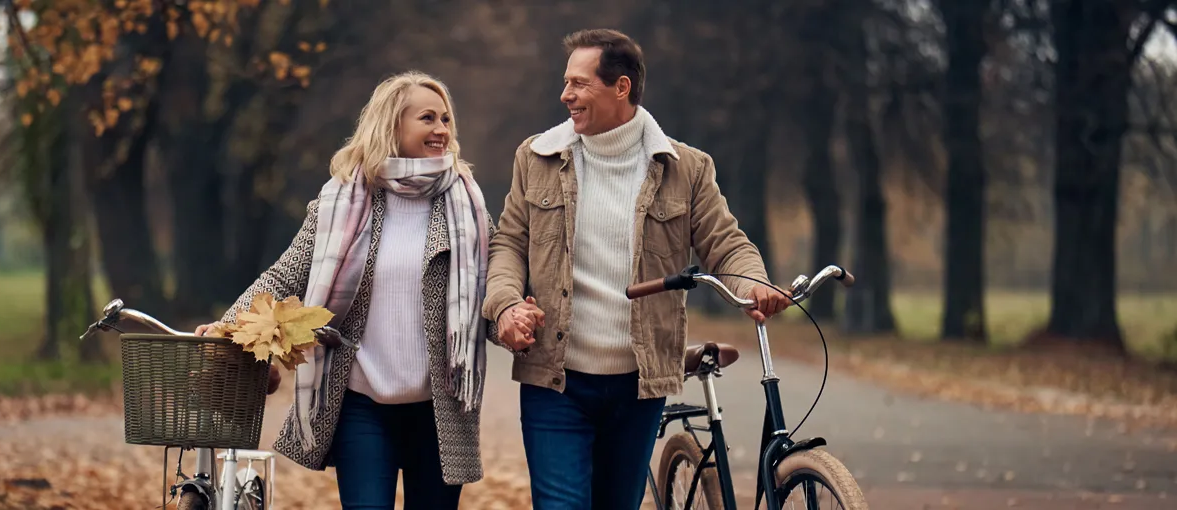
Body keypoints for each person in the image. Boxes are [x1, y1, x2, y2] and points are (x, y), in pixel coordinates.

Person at [482, 29, 793, 509]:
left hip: (638, 384)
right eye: (566, 82)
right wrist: (503, 305)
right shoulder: (537, 157)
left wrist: (751, 281)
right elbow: (509, 245)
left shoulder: (685, 167)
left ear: (621, 87)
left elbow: (725, 243)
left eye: (579, 84)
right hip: (555, 380)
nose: (565, 94)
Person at [198, 71, 493, 509]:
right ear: (393, 125)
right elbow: (285, 276)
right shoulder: (342, 202)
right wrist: (228, 326)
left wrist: (516, 310)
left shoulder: (466, 205)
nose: (442, 130)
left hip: (439, 408)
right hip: (361, 403)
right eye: (427, 118)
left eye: (446, 119)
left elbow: (499, 275)